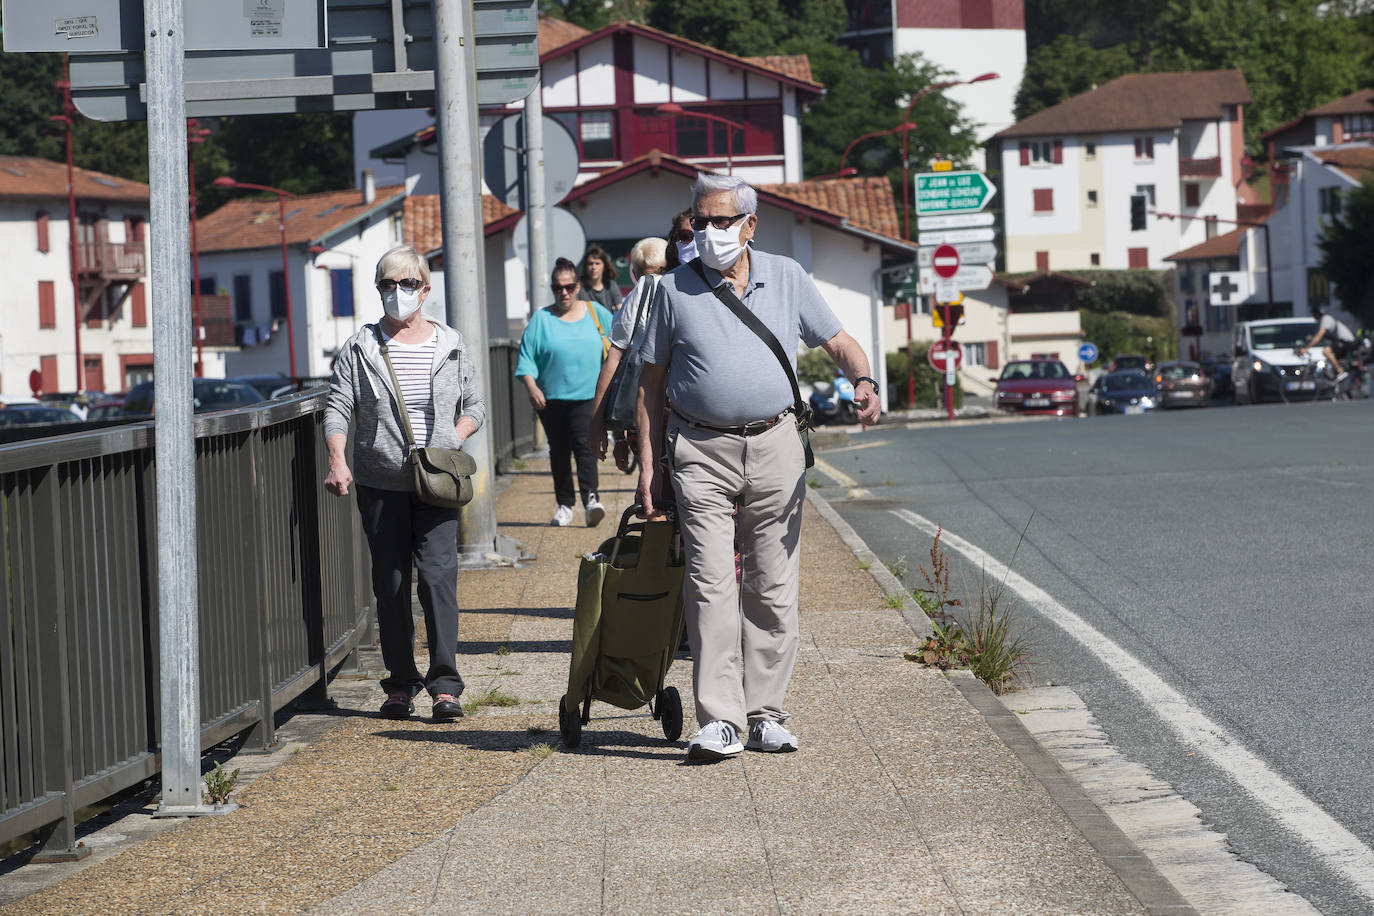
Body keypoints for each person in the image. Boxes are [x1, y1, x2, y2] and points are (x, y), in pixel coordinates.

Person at [636, 173, 881, 761]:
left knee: (771, 583)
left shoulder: (788, 277)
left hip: (775, 446)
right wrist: (649, 465)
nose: (711, 231)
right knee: (711, 582)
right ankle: (720, 720)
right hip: (699, 450)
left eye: (724, 221)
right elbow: (650, 385)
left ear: (750, 225)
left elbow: (840, 341)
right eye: (702, 221)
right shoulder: (671, 290)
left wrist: (864, 380)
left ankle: (766, 712)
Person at [323, 245, 484, 722]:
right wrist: (337, 459)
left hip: (436, 482)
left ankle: (445, 686)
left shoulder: (450, 343)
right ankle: (399, 683)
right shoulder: (361, 346)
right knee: (391, 585)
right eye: (388, 286)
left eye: (407, 285)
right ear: (379, 291)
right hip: (380, 481)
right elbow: (338, 406)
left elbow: (474, 404)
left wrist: (452, 439)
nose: (398, 294)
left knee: (437, 579)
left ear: (425, 289)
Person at [516, 257, 614, 527]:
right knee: (558, 451)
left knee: (585, 447)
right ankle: (564, 505)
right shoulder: (541, 319)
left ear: (578, 285)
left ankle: (591, 499)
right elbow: (526, 357)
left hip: (588, 396)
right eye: (558, 288)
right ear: (552, 288)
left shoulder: (596, 313)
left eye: (569, 287)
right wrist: (531, 385)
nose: (564, 292)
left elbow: (620, 342)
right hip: (551, 398)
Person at [587, 236, 668, 469]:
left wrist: (598, 425)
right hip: (686, 413)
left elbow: (615, 360)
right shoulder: (684, 289)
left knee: (652, 481)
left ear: (634, 272)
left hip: (647, 411)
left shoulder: (640, 291)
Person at [1296, 305, 1358, 381]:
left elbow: (1318, 337)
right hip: (1343, 342)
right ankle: (1337, 377)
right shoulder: (1325, 320)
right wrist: (1311, 339)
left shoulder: (1325, 320)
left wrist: (1305, 348)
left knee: (1326, 351)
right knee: (1330, 359)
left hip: (1347, 342)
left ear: (1315, 314)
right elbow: (1319, 337)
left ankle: (1340, 372)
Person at [580, 244, 624, 312]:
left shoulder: (611, 285)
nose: (594, 267)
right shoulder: (578, 287)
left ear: (604, 266)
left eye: (597, 263)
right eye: (590, 264)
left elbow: (621, 309)